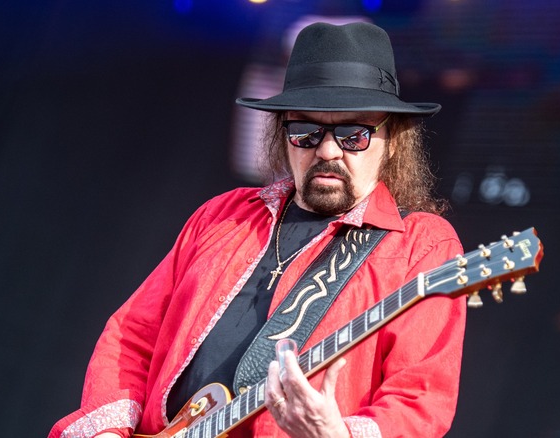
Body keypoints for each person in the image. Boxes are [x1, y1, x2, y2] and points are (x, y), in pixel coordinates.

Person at [49, 21, 467, 438]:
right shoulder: (223, 215)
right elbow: (133, 335)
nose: (326, 150)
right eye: (305, 131)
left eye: (353, 134)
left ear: (392, 140)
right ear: (282, 134)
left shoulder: (420, 246)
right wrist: (107, 431)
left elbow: (419, 398)